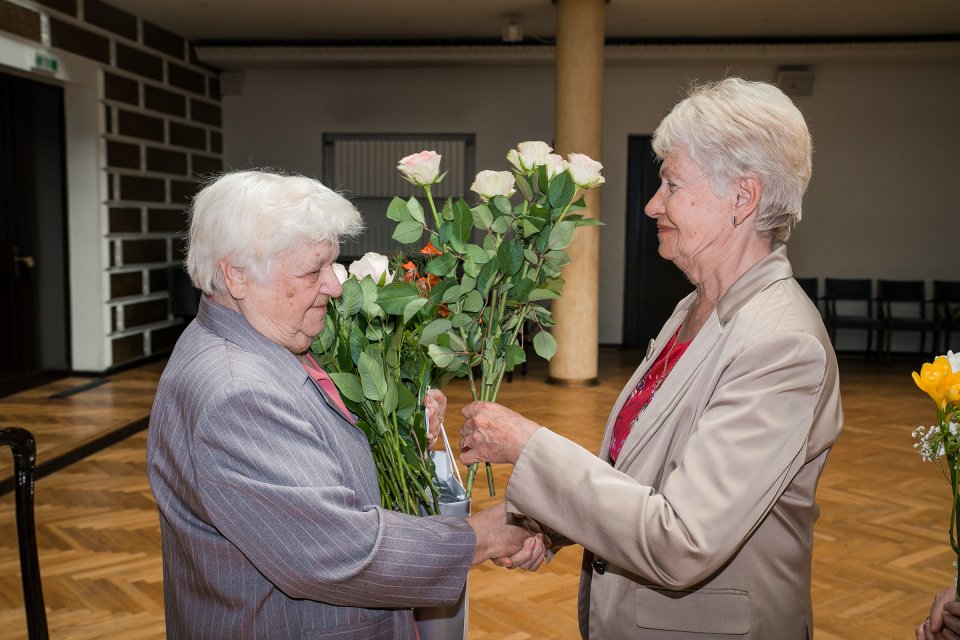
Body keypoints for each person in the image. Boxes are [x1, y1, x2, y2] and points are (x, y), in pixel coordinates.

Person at [458, 77, 843, 639]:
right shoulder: (694, 307)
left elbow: (683, 540)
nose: (651, 203)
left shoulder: (780, 344)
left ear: (743, 198)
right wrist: (553, 522)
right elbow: (646, 473)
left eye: (671, 183)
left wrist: (529, 445)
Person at [147, 170, 544, 640]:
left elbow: (309, 454)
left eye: (333, 265)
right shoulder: (238, 392)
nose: (335, 286)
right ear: (236, 274)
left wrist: (404, 424)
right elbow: (336, 553)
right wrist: (484, 534)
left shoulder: (259, 339)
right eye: (313, 271)